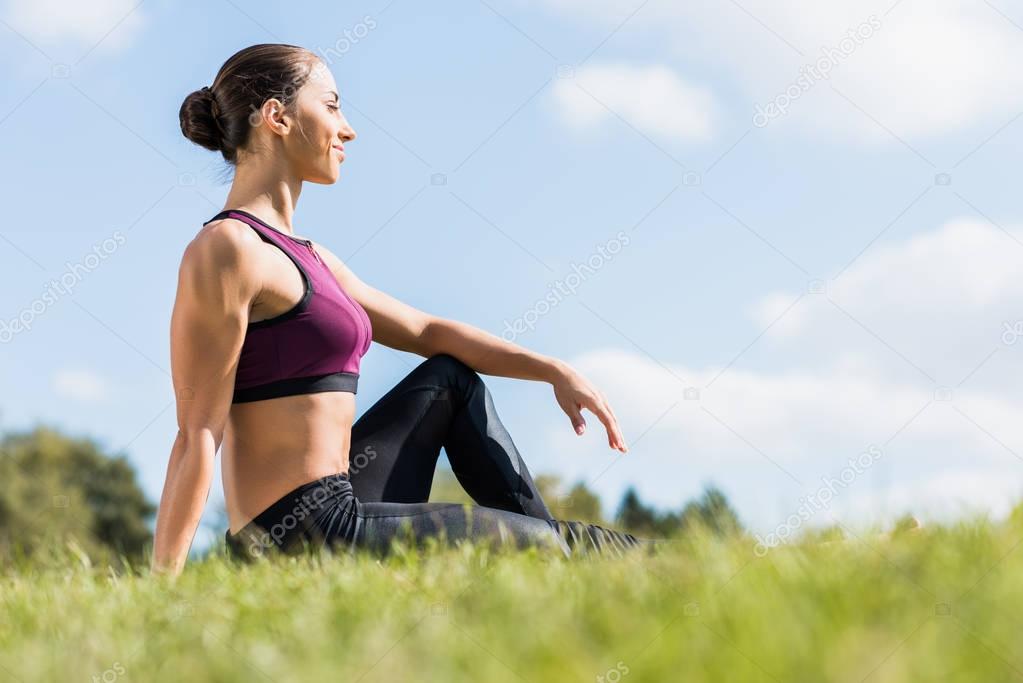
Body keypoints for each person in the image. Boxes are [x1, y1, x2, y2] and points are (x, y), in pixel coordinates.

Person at [151, 43, 658, 576]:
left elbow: (424, 329)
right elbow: (197, 432)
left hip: (342, 499)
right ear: (277, 117)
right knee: (550, 546)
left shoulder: (313, 257)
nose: (347, 129)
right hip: (296, 535)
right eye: (331, 106)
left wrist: (553, 369)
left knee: (448, 379)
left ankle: (555, 565)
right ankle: (631, 563)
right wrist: (164, 586)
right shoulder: (228, 248)